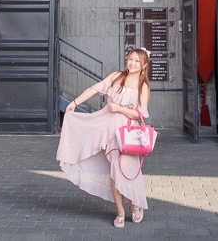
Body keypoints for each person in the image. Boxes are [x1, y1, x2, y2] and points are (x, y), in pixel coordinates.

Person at [57, 48, 151, 228]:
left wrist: (119, 109)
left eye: (137, 61)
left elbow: (141, 114)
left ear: (144, 65)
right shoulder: (117, 76)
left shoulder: (142, 86)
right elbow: (95, 88)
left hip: (127, 134)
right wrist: (74, 103)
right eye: (130, 59)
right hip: (107, 130)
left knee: (129, 170)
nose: (132, 63)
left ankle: (134, 203)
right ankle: (121, 211)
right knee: (115, 171)